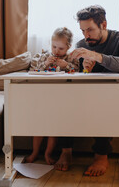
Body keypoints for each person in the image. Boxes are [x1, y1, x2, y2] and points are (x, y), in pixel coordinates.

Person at [54, 5, 119, 176]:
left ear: (103, 25)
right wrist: (85, 69)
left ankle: (101, 155)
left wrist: (96, 56)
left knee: (102, 103)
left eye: (90, 30)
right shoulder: (82, 44)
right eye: (83, 30)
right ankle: (66, 151)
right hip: (90, 90)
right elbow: (79, 76)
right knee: (63, 99)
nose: (86, 36)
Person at [27, 27, 79, 164]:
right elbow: (34, 70)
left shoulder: (71, 58)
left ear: (68, 47)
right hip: (44, 95)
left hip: (61, 97)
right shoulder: (44, 56)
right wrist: (46, 64)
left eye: (61, 48)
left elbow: (78, 72)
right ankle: (34, 153)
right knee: (39, 127)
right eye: (54, 46)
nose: (56, 51)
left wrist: (66, 65)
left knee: (53, 128)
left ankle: (47, 154)